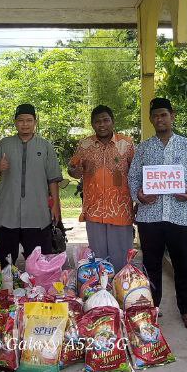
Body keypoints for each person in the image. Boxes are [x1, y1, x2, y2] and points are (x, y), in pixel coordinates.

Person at [128, 97, 187, 330]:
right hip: (150, 216)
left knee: (182, 264)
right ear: (151, 119)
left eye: (164, 114)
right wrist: (139, 195)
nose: (160, 119)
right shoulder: (144, 148)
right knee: (151, 264)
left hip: (180, 215)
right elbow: (133, 177)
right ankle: (152, 308)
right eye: (155, 115)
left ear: (172, 116)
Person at [0, 103, 63, 265]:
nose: (25, 124)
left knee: (39, 264)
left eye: (29, 120)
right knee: (2, 264)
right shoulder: (4, 144)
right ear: (15, 122)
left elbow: (53, 179)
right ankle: (5, 289)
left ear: (35, 122)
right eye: (21, 120)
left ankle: (38, 290)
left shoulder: (45, 146)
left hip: (37, 214)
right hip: (7, 214)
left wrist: (56, 206)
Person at [68, 105, 136, 269]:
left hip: (121, 211)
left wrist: (138, 202)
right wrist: (74, 171)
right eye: (97, 121)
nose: (102, 124)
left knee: (121, 262)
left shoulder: (127, 144)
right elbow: (72, 169)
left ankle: (121, 291)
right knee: (98, 262)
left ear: (113, 121)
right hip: (94, 211)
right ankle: (100, 293)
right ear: (92, 124)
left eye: (106, 120)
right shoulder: (85, 145)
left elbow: (137, 174)